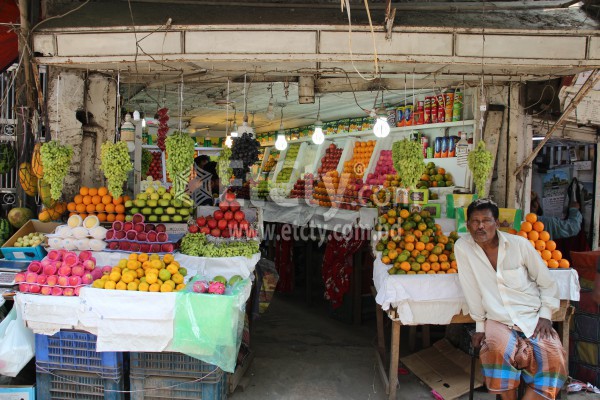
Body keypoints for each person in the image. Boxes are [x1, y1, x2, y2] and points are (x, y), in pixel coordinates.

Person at [455, 199, 566, 400]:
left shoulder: (520, 245)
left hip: (530, 315)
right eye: (475, 221)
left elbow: (547, 283)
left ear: (497, 223)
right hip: (497, 318)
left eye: (486, 220)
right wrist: (480, 327)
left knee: (553, 355)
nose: (480, 226)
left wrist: (546, 315)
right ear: (468, 224)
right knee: (496, 350)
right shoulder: (463, 247)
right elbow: (471, 288)